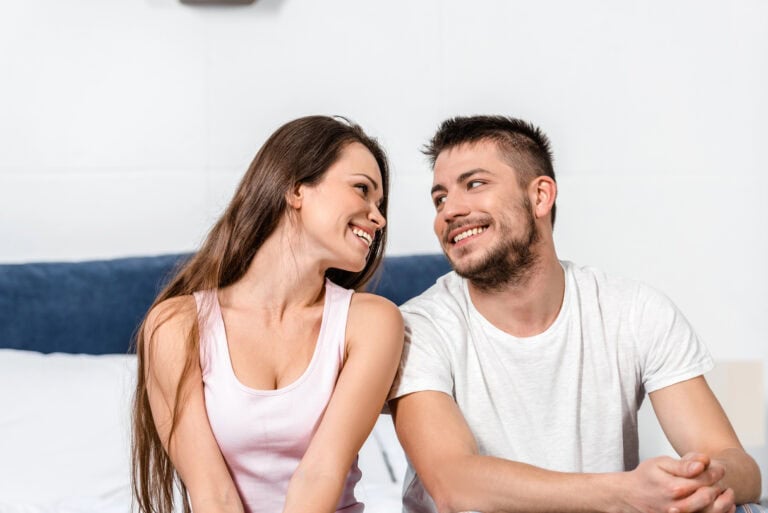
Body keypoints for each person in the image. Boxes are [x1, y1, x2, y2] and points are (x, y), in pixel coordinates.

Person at [388, 115, 763, 513]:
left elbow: (738, 464)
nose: (449, 211)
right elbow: (454, 483)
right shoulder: (418, 328)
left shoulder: (634, 311)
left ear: (540, 196)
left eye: (474, 184)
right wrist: (625, 493)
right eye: (439, 198)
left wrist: (700, 483)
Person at [131, 115, 404, 513]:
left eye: (379, 204)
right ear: (295, 189)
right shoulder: (176, 325)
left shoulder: (372, 322)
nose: (378, 218)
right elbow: (212, 494)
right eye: (362, 189)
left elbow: (320, 476)